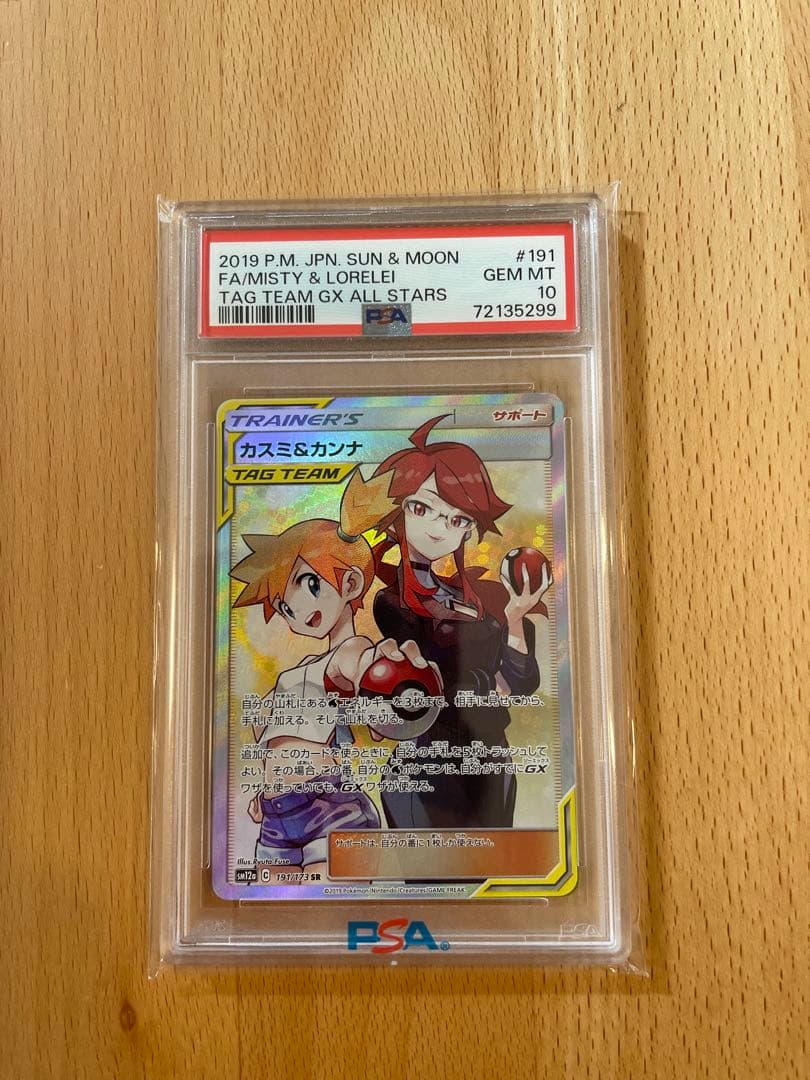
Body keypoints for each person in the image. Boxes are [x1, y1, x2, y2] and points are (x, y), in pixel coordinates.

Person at [231, 467, 436, 881]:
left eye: (308, 585)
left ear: (350, 583)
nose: (296, 610)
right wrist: (263, 789)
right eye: (284, 607)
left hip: (331, 810)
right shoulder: (296, 673)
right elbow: (270, 738)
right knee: (276, 909)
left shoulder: (347, 653)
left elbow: (365, 669)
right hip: (275, 819)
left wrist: (399, 680)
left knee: (332, 906)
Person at [369, 415, 552, 829]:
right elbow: (431, 679)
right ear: (399, 510)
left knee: (492, 869)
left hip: (489, 762)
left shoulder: (473, 600)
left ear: (470, 529)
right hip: (426, 764)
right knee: (427, 870)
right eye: (422, 509)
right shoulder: (392, 603)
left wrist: (514, 617)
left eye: (457, 520)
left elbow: (521, 682)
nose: (439, 530)